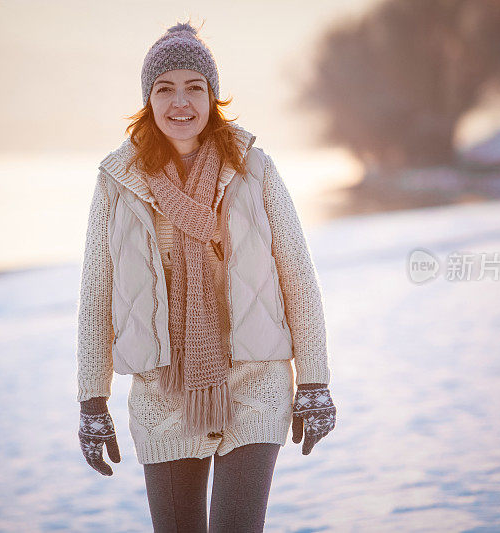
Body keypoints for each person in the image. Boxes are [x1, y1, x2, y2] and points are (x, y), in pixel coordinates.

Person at [76, 20, 337, 532]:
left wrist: (315, 382)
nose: (180, 103)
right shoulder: (118, 183)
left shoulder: (254, 169)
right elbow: (96, 296)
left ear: (213, 97)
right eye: (165, 88)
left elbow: (298, 279)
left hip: (254, 382)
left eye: (194, 88)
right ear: (147, 100)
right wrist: (92, 399)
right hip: (161, 391)